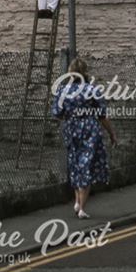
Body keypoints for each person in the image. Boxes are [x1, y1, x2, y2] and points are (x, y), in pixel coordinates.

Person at [52, 57, 117, 219]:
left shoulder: (62, 90)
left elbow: (57, 113)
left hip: (71, 129)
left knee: (75, 163)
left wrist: (71, 116)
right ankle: (81, 207)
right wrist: (112, 133)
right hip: (89, 129)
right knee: (87, 164)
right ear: (85, 72)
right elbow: (102, 116)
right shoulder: (91, 90)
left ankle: (76, 201)